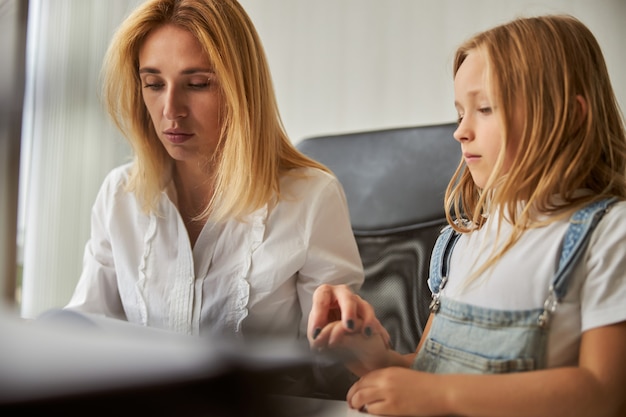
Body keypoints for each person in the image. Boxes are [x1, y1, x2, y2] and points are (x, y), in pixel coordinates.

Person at [307, 14, 626, 417]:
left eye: (486, 108)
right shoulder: (462, 240)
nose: (460, 131)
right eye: (460, 113)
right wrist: (378, 360)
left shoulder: (609, 233)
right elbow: (430, 373)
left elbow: (603, 392)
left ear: (570, 118)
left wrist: (442, 398)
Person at [64, 0, 363, 346]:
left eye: (198, 84)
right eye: (154, 84)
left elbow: (331, 364)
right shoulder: (119, 195)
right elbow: (83, 330)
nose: (171, 110)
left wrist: (345, 341)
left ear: (242, 89)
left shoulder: (311, 197)